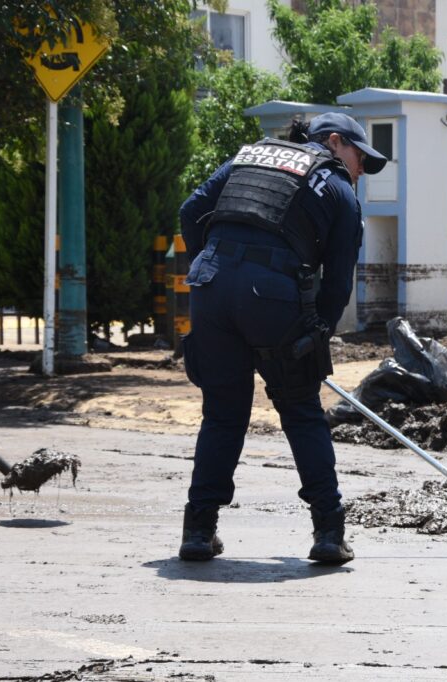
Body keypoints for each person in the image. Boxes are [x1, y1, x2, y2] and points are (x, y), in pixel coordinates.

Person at [176, 112, 387, 564]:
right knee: (301, 411)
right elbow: (337, 282)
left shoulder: (248, 157)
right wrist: (319, 333)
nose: (360, 172)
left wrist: (211, 267)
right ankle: (329, 532)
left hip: (209, 291)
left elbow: (191, 212)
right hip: (272, 297)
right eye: (359, 159)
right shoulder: (338, 189)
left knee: (222, 414)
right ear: (334, 143)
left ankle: (198, 530)